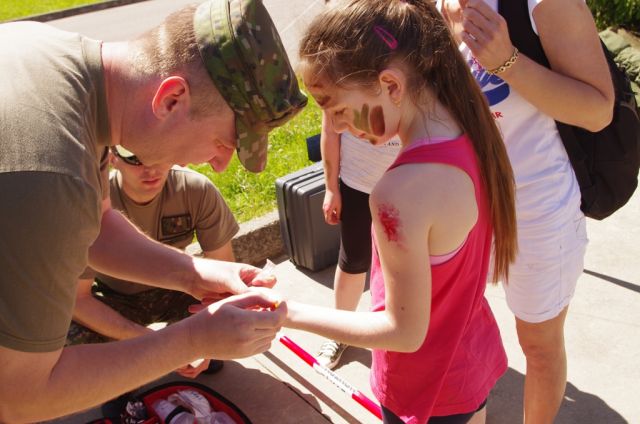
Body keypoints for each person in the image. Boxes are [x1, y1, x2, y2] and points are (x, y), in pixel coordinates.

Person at [0, 0, 307, 420]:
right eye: (223, 142)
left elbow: (98, 226)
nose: (220, 164)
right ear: (172, 99)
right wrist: (190, 340)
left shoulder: (67, 70)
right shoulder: (54, 175)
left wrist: (195, 274)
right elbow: (18, 395)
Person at [279, 0, 519, 422]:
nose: (336, 128)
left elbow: (403, 333)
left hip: (425, 387)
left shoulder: (400, 192)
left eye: (337, 110)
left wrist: (286, 314)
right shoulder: (470, 129)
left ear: (391, 85)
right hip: (469, 364)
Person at [437, 0, 615, 421]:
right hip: (460, 202)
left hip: (536, 208)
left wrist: (507, 62)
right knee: (456, 328)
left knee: (538, 344)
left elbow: (598, 111)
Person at [68, 151, 241, 379]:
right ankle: (122, 378)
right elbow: (79, 300)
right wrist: (152, 342)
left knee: (235, 317)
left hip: (178, 291)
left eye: (159, 154)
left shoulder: (195, 189)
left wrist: (207, 341)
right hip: (117, 298)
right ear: (112, 157)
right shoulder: (93, 205)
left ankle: (194, 349)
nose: (150, 169)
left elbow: (225, 275)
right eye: (135, 159)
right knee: (68, 344)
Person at [316, 123, 400, 369]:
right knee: (353, 259)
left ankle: (402, 332)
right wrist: (331, 188)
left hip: (407, 183)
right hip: (357, 183)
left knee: (406, 265)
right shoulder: (340, 95)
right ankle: (340, 333)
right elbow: (330, 130)